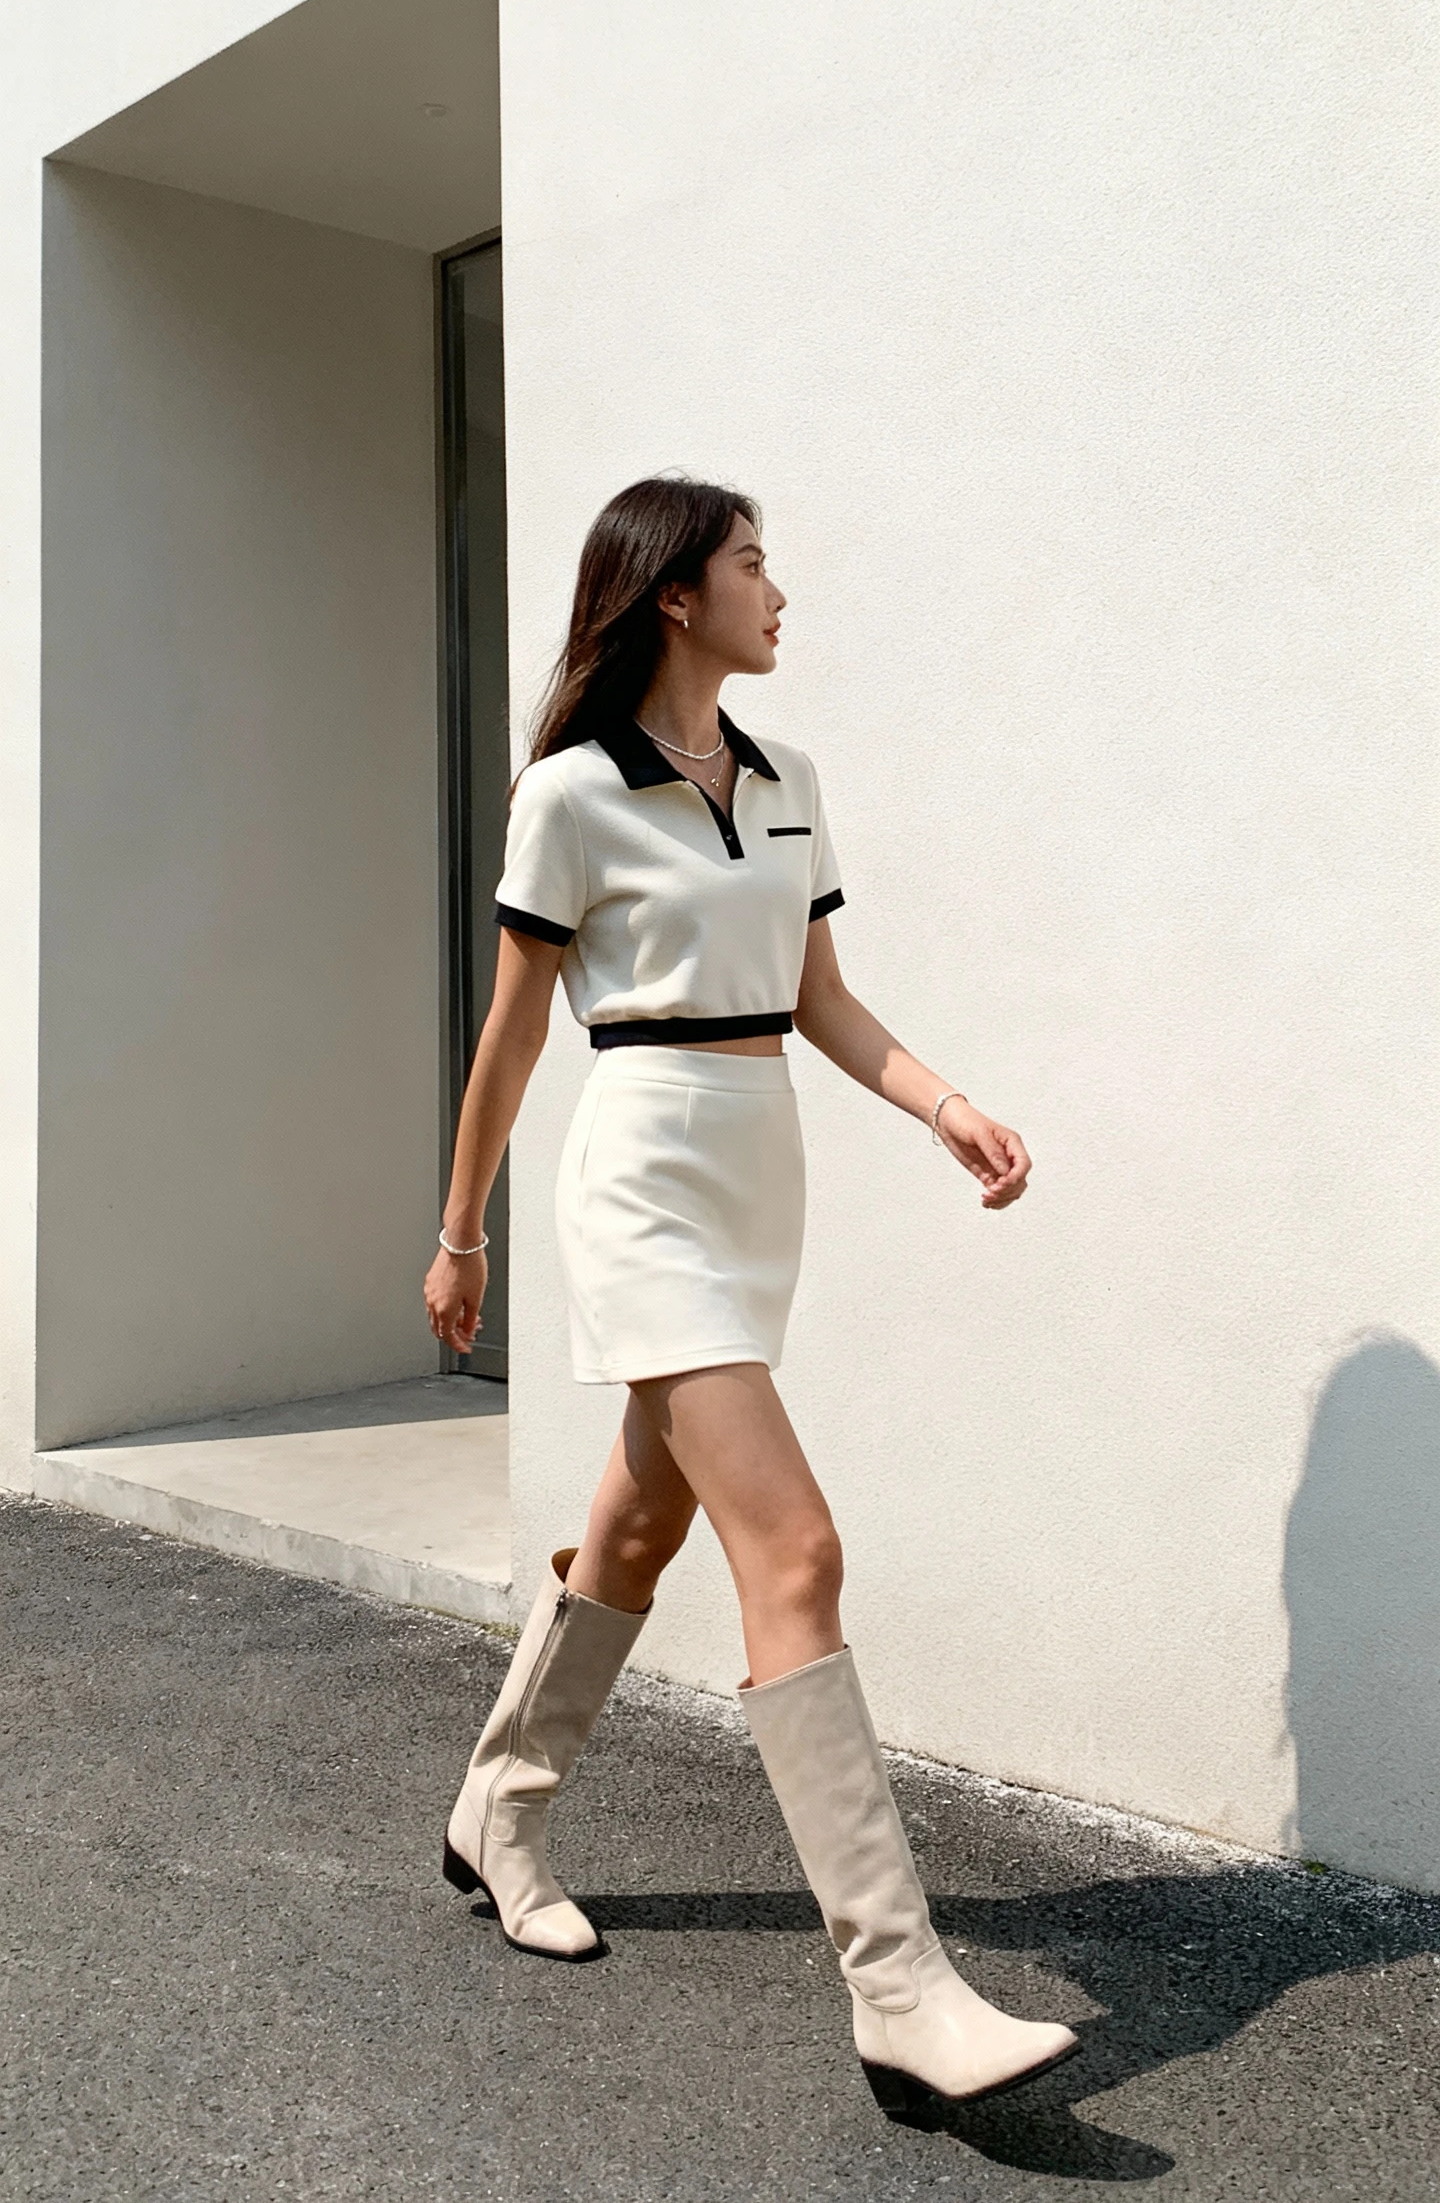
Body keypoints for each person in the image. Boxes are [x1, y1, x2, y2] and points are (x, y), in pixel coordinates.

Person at [423, 476, 1079, 2114]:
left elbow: (823, 1003)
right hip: (641, 1178)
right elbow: (512, 1037)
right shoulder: (571, 795)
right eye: (753, 565)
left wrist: (946, 1106)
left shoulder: (788, 782)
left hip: (756, 1172)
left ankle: (496, 1806)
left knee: (638, 1529)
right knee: (795, 1546)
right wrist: (462, 1233)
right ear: (672, 595)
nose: (778, 592)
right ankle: (902, 1991)